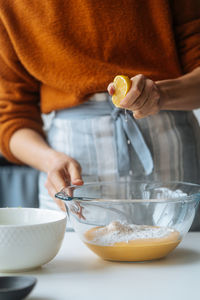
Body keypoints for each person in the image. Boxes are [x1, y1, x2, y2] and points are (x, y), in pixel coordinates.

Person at [0, 1, 200, 228]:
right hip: (73, 169)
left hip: (171, 156)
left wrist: (162, 95)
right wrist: (50, 160)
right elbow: (10, 117)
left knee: (183, 260)